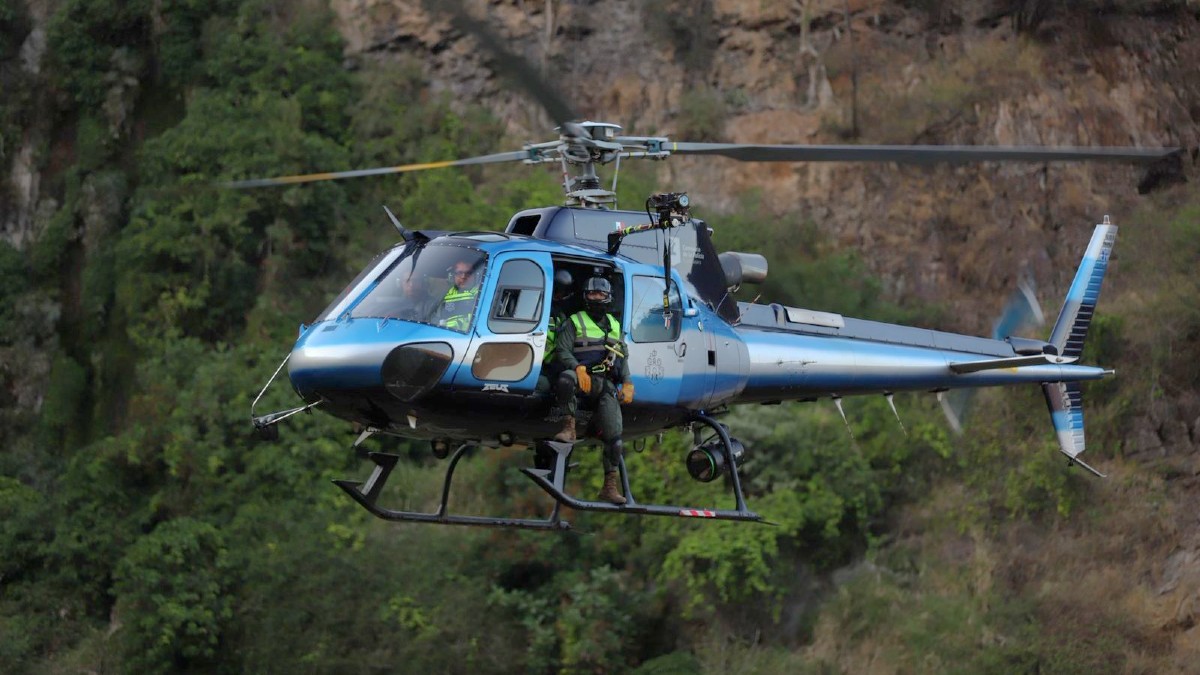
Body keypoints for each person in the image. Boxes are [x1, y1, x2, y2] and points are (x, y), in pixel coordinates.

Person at [551, 275, 634, 505]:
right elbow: (562, 350)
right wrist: (577, 368)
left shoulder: (615, 325)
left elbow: (622, 357)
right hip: (580, 378)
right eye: (592, 294)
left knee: (615, 439)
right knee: (566, 380)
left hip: (604, 384)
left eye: (601, 294)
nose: (596, 298)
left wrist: (627, 382)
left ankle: (609, 485)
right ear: (585, 297)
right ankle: (569, 427)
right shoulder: (574, 321)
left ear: (608, 298)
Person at [439, 259, 480, 331]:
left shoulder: (482, 293)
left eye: (469, 273)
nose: (463, 276)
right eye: (459, 273)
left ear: (475, 276)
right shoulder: (446, 294)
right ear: (453, 275)